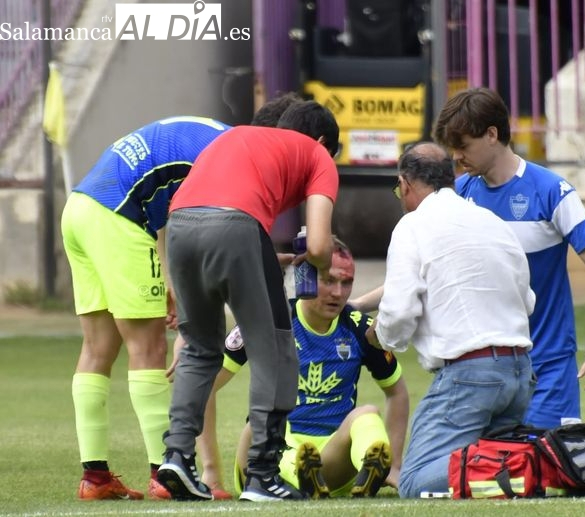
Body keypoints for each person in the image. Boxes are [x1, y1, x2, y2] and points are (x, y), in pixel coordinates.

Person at [156, 100, 340, 502]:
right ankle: (263, 473)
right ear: (324, 141)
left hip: (182, 227)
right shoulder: (316, 154)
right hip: (239, 228)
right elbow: (322, 243)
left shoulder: (237, 135)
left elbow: (214, 213)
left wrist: (262, 257)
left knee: (200, 349)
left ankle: (177, 455)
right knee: (274, 351)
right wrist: (321, 266)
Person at [61, 115, 231, 501]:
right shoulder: (232, 153)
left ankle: (96, 478)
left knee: (97, 349)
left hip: (81, 207)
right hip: (118, 216)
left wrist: (164, 281)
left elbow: (168, 206)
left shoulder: (210, 132)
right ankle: (165, 475)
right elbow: (200, 226)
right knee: (149, 349)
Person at [433, 87, 585, 429]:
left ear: (491, 135)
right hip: (486, 370)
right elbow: (421, 267)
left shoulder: (550, 190)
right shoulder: (458, 196)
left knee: (545, 474)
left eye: (463, 146)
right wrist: (359, 304)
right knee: (486, 474)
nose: (456, 157)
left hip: (547, 366)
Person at [365, 142, 536, 498]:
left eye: (399, 190)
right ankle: (529, 464)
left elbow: (398, 313)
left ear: (405, 184)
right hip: (520, 371)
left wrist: (378, 337)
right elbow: (527, 300)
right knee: (487, 458)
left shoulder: (412, 226)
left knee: (414, 482)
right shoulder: (493, 222)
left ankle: (535, 466)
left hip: (470, 375)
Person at [190, 237, 409, 499]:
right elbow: (204, 387)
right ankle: (299, 476)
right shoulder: (270, 322)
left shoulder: (359, 328)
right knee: (260, 423)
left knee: (367, 414)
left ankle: (368, 469)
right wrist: (211, 470)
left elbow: (397, 392)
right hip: (266, 456)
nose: (338, 293)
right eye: (328, 280)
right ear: (305, 277)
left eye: (346, 282)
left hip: (332, 458)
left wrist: (394, 464)